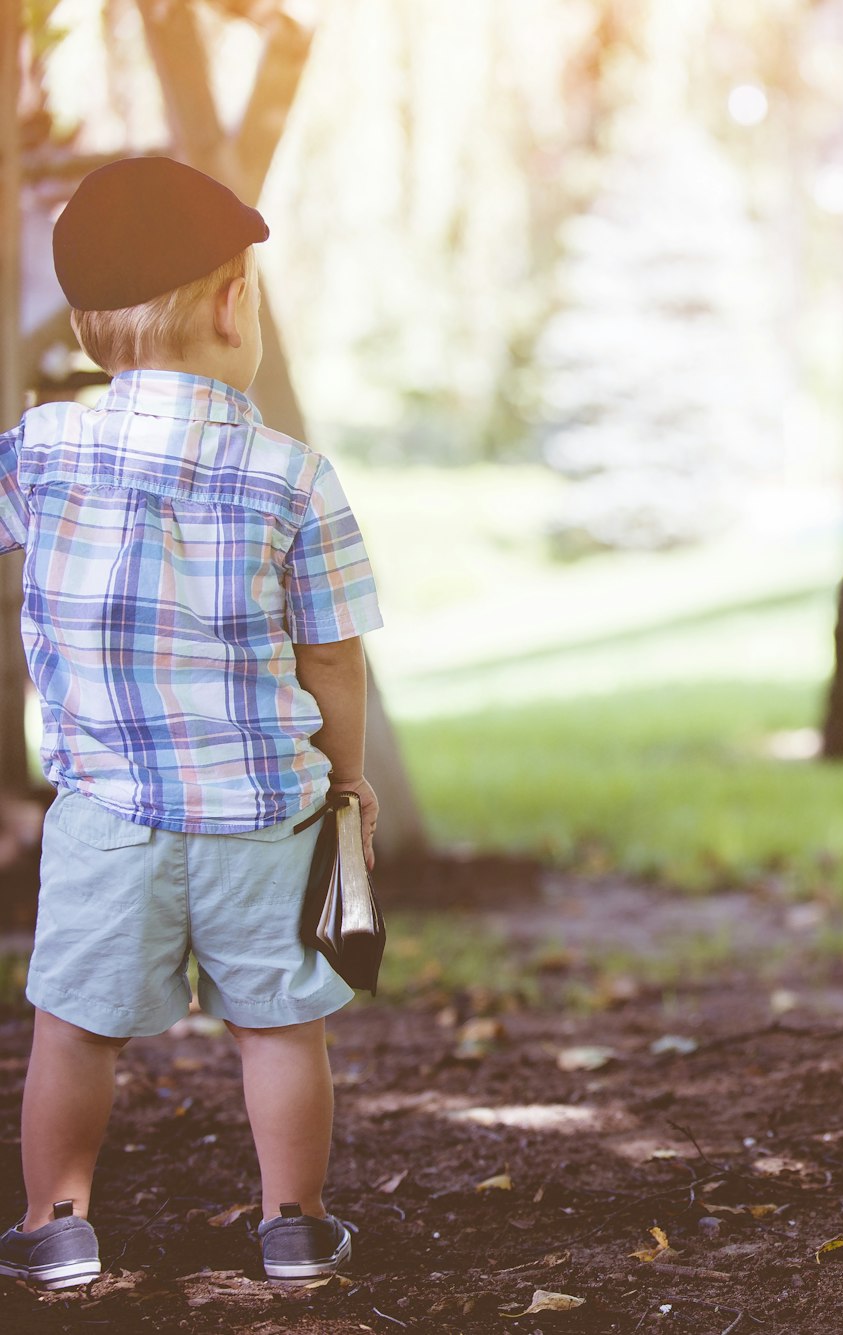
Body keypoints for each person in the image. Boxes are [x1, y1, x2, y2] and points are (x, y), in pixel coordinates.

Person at [0, 158, 384, 1290]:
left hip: (106, 811)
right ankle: (296, 1225)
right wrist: (346, 780)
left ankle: (53, 1225)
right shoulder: (295, 479)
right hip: (263, 811)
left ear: (87, 324)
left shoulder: (39, 451)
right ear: (232, 307)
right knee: (279, 1027)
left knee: (73, 1025)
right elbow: (333, 654)